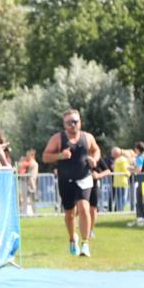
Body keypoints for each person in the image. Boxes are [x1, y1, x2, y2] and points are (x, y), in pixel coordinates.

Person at [42, 109, 101, 257]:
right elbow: (45, 157)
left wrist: (94, 159)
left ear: (80, 122)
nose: (72, 125)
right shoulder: (58, 139)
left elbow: (96, 150)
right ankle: (72, 239)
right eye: (69, 122)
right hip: (66, 180)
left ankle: (85, 244)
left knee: (84, 208)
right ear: (64, 124)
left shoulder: (88, 137)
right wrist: (60, 155)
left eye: (75, 121)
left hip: (84, 177)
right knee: (69, 213)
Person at [111, 146, 131, 212]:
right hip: (123, 181)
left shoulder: (117, 160)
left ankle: (118, 209)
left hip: (117, 182)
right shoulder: (123, 160)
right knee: (123, 198)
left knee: (119, 198)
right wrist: (130, 173)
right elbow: (126, 171)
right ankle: (120, 210)